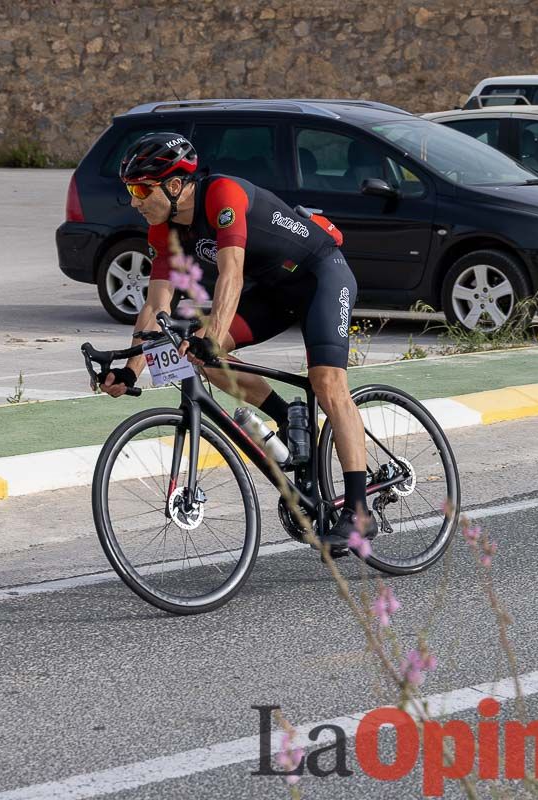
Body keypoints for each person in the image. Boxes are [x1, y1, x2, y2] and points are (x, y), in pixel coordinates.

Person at [101, 132, 376, 548]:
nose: (135, 201)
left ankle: (358, 512)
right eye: (130, 190)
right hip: (273, 293)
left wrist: (210, 335)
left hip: (320, 275)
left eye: (142, 189)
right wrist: (131, 366)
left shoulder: (222, 195)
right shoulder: (163, 231)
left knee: (327, 383)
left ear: (176, 185)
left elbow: (231, 272)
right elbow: (157, 303)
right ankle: (289, 420)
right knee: (205, 361)